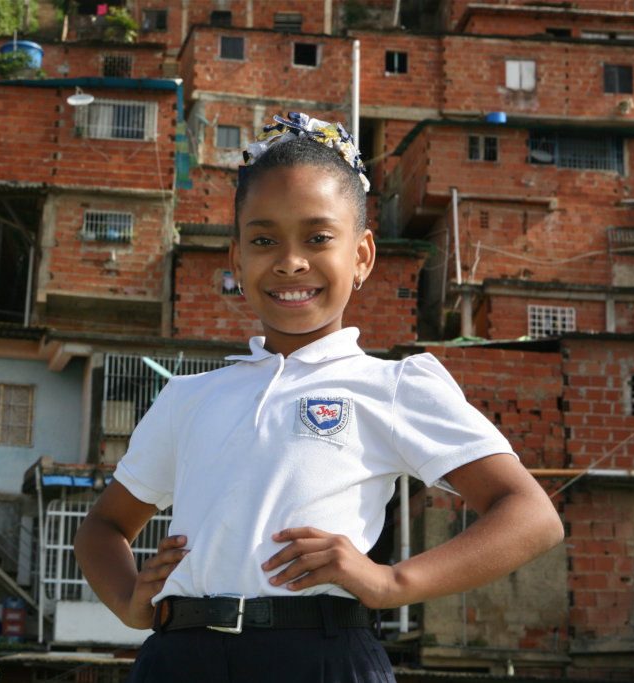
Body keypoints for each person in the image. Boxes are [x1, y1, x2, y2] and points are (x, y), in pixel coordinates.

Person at [73, 112, 564, 682]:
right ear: (236, 259)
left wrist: (390, 582)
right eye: (263, 240)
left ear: (361, 256)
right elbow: (101, 529)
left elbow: (530, 517)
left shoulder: (394, 385)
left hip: (323, 657)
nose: (290, 261)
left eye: (318, 237)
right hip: (179, 658)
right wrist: (132, 601)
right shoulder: (189, 397)